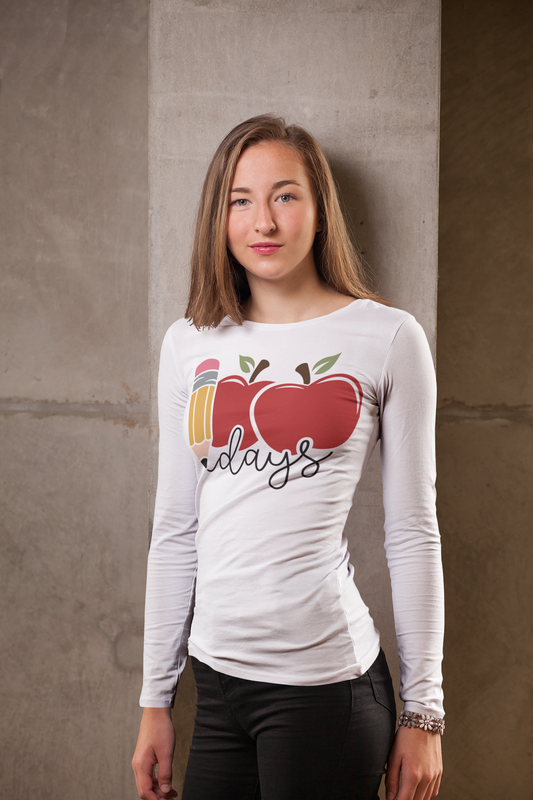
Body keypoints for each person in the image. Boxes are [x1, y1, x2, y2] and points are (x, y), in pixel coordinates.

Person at [132, 114, 444, 800]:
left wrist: (424, 712)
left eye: (284, 195)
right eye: (240, 200)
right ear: (218, 217)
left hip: (326, 693)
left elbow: (412, 532)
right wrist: (155, 700)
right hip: (216, 687)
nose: (263, 221)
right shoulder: (189, 342)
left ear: (319, 208)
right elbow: (175, 528)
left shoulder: (388, 338)